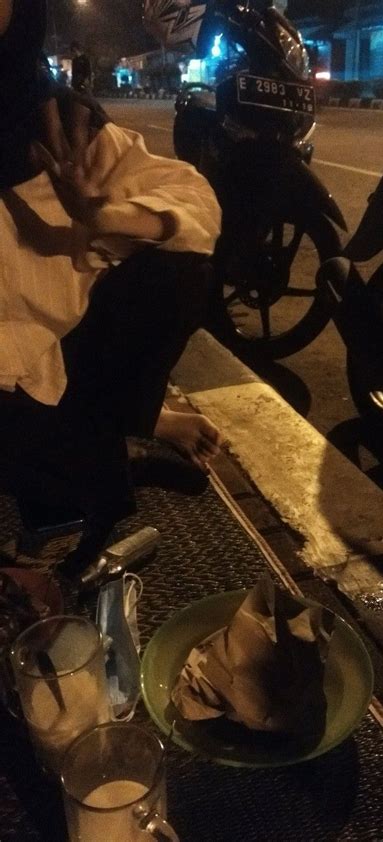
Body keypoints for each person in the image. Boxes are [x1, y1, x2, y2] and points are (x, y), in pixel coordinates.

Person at [0, 0, 222, 573]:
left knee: (179, 268)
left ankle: (118, 432)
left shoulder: (53, 122)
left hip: (63, 355)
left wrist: (104, 220)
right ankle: (117, 451)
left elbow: (194, 202)